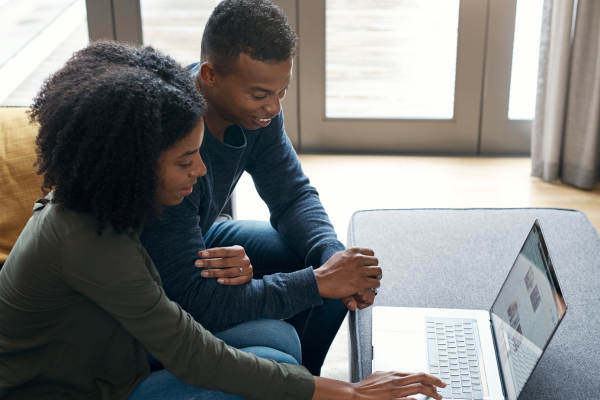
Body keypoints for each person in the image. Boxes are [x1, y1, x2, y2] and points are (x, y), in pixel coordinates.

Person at [0, 42, 445, 400]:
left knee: (280, 343)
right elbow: (194, 354)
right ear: (132, 164)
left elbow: (290, 195)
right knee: (281, 372)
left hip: (118, 349)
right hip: (82, 386)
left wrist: (326, 264)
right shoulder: (90, 240)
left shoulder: (112, 198)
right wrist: (347, 392)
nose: (202, 171)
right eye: (186, 161)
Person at [140, 0, 377, 376]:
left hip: (201, 238)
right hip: (150, 280)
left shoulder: (258, 117)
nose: (272, 107)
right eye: (260, 94)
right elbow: (190, 296)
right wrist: (318, 282)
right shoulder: (169, 140)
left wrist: (331, 259)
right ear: (210, 75)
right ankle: (284, 379)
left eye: (282, 91)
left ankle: (303, 381)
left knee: (325, 266)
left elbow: (292, 195)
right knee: (298, 311)